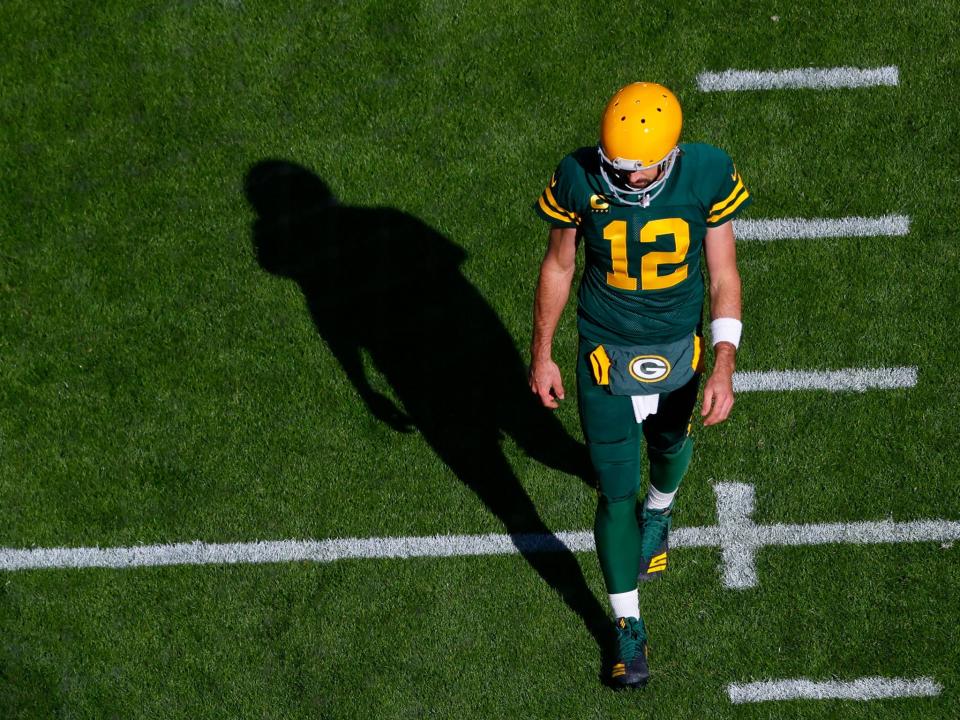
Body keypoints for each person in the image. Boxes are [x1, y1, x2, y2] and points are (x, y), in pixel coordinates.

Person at [528, 82, 751, 688]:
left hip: (679, 348)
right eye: (617, 166)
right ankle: (627, 622)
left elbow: (724, 272)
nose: (627, 179)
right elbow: (559, 265)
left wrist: (725, 362)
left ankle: (663, 508)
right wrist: (542, 353)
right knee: (611, 489)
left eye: (639, 166)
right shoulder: (580, 178)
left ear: (672, 153)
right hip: (605, 351)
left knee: (672, 446)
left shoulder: (704, 172)